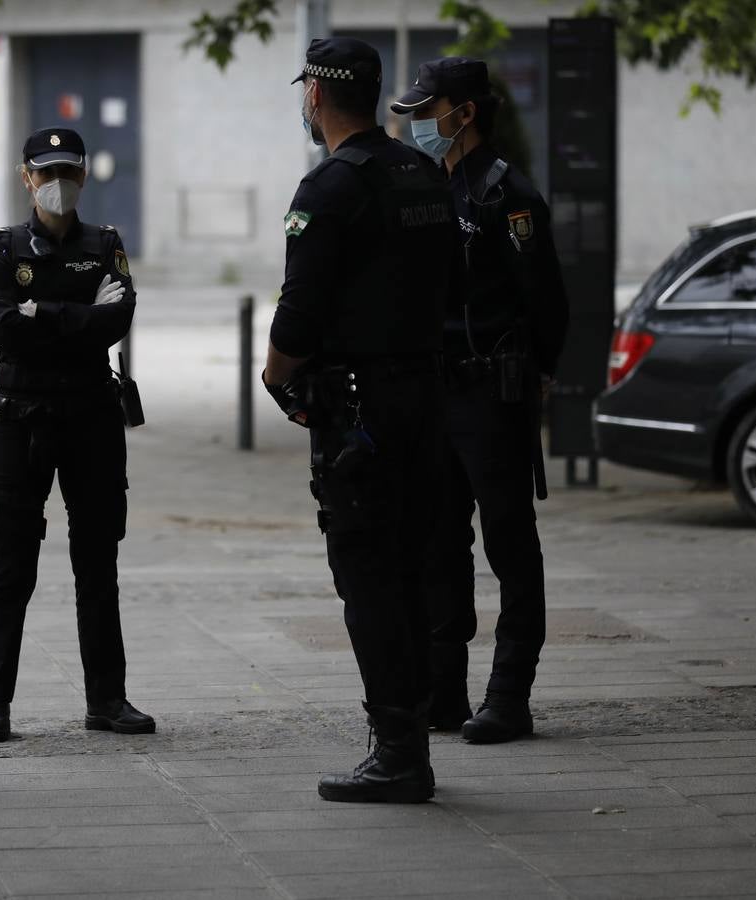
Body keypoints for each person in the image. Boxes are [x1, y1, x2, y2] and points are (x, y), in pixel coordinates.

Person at [264, 38, 462, 803]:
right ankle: (417, 725)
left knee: (368, 574)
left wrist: (275, 378)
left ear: (314, 97)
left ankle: (398, 751)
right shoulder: (421, 172)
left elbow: (298, 312)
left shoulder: (329, 187)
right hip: (424, 398)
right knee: (415, 565)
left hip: (358, 412)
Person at [391, 59, 569, 744]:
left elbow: (545, 300)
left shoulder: (507, 195)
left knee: (509, 546)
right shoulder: (426, 187)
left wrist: (538, 374)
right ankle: (444, 693)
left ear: (463, 112)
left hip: (490, 396)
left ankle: (508, 697)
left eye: (427, 111)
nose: (417, 125)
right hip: (432, 393)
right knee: (438, 544)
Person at [0, 126, 154, 743]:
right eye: (44, 174)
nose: (56, 185)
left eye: (66, 173)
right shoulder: (3, 246)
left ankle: (108, 698)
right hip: (22, 419)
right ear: (26, 179)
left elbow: (119, 316)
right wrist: (80, 315)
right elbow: (1, 328)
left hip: (92, 418)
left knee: (97, 562)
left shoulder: (106, 243)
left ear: (83, 176)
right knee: (11, 564)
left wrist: (41, 314)